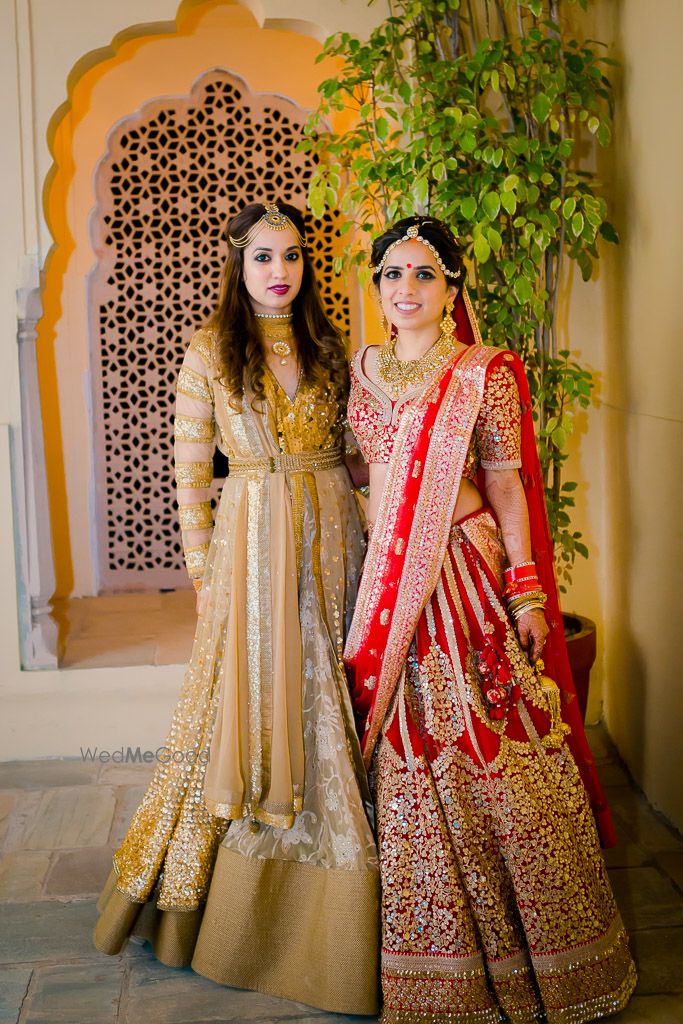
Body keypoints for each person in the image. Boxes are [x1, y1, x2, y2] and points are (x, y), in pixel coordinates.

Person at [344, 216, 637, 1023]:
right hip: (387, 587)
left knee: (494, 753)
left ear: (452, 289)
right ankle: (434, 969)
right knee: (408, 759)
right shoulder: (358, 373)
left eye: (424, 275)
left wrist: (528, 591)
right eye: (390, 275)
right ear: (375, 288)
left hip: (463, 580)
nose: (404, 289)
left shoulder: (484, 373)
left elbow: (507, 487)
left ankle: (547, 957)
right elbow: (354, 479)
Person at [93, 201, 380, 1016]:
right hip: (251, 546)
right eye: (262, 258)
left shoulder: (330, 346)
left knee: (336, 684)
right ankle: (237, 908)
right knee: (257, 703)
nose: (278, 271)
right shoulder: (211, 350)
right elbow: (189, 472)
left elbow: (362, 459)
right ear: (238, 265)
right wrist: (203, 573)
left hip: (335, 545)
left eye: (290, 256)